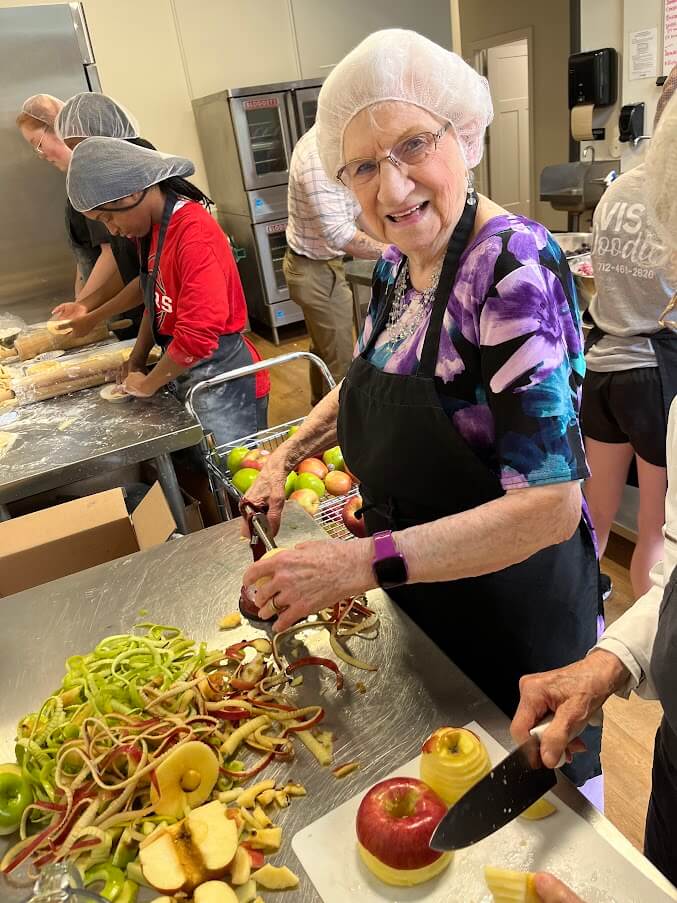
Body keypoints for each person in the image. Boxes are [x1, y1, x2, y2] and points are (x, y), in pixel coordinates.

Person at [240, 29, 601, 788]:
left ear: (462, 137)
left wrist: (350, 564)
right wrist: (285, 453)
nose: (393, 187)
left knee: (539, 827)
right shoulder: (405, 265)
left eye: (412, 145)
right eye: (365, 165)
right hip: (428, 605)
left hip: (516, 629)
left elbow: (549, 506)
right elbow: (373, 373)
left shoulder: (511, 269)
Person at [511, 89, 677, 899]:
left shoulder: (611, 194)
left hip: (610, 365)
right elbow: (676, 561)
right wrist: (612, 659)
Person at [67, 137, 269, 442]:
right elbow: (156, 301)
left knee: (239, 479)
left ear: (133, 193)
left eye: (108, 217)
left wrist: (149, 384)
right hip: (188, 371)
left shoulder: (193, 232)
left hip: (224, 380)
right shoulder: (153, 231)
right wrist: (137, 359)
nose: (112, 230)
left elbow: (198, 334)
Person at [580, 69, 677, 598]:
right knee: (656, 536)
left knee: (593, 519)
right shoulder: (673, 201)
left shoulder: (615, 194)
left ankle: (576, 629)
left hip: (602, 372)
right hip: (653, 379)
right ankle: (649, 673)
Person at [285, 124, 387, 405]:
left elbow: (354, 207)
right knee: (340, 360)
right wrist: (391, 251)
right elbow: (339, 233)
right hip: (315, 270)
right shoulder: (316, 159)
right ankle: (339, 435)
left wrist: (387, 237)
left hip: (322, 264)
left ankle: (319, 414)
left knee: (324, 349)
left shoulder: (339, 149)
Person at [51, 92, 154, 340]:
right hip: (154, 327)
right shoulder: (124, 204)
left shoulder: (152, 203)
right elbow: (141, 276)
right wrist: (85, 306)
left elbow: (155, 285)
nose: (113, 230)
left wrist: (93, 315)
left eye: (81, 147)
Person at [16, 93, 113, 298]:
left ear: (59, 129)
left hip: (116, 309)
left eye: (39, 143)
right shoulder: (76, 180)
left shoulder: (93, 177)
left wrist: (84, 306)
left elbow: (112, 255)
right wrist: (78, 300)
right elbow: (85, 254)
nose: (41, 154)